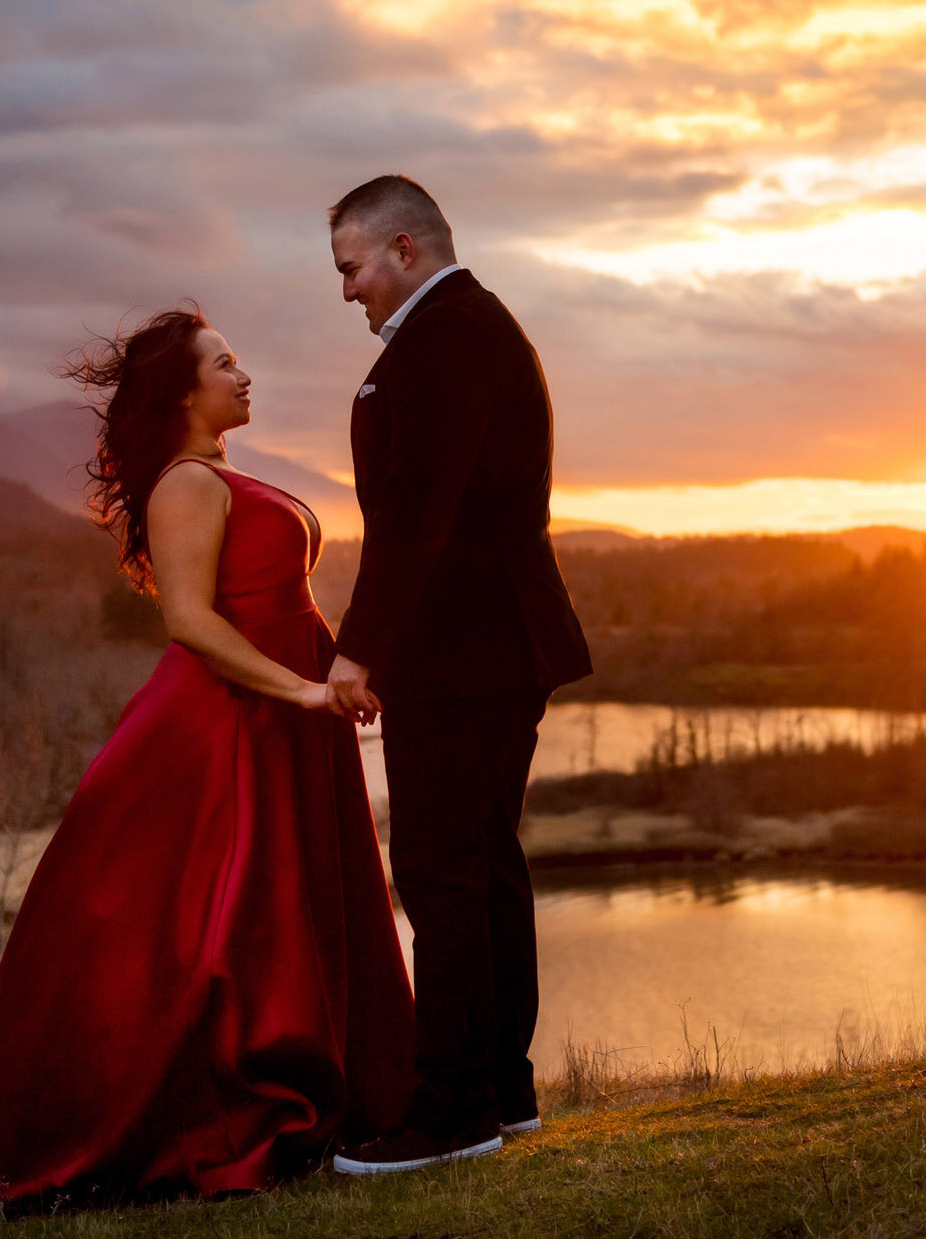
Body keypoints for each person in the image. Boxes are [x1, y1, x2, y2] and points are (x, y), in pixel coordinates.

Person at [0, 308, 414, 1216]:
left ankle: (333, 1089)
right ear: (184, 391)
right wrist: (301, 692)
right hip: (224, 724)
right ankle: (221, 1111)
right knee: (213, 921)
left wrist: (342, 670)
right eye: (227, 362)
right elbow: (188, 620)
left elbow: (285, 607)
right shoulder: (186, 482)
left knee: (287, 901)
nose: (245, 374)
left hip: (283, 713)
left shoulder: (225, 472)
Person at [323, 176, 592, 1175]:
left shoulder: (448, 340)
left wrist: (363, 648)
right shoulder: (472, 331)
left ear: (401, 248)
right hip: (495, 645)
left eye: (350, 267)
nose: (345, 289)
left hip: (467, 649)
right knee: (479, 865)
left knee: (440, 872)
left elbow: (416, 514)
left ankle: (452, 1115)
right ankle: (501, 1093)